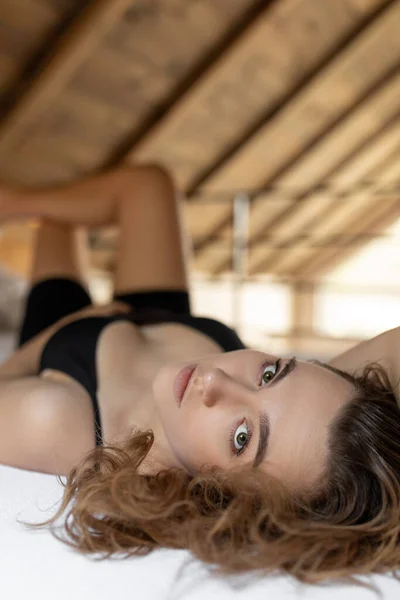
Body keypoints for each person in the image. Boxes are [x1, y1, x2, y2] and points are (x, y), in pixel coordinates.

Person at [1, 164, 400, 587]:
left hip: (66, 343)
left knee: (58, 228)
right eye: (270, 372)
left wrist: (67, 325)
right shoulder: (326, 426)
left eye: (241, 437)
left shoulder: (52, 422)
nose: (216, 382)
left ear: (226, 500)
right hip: (171, 325)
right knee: (148, 184)